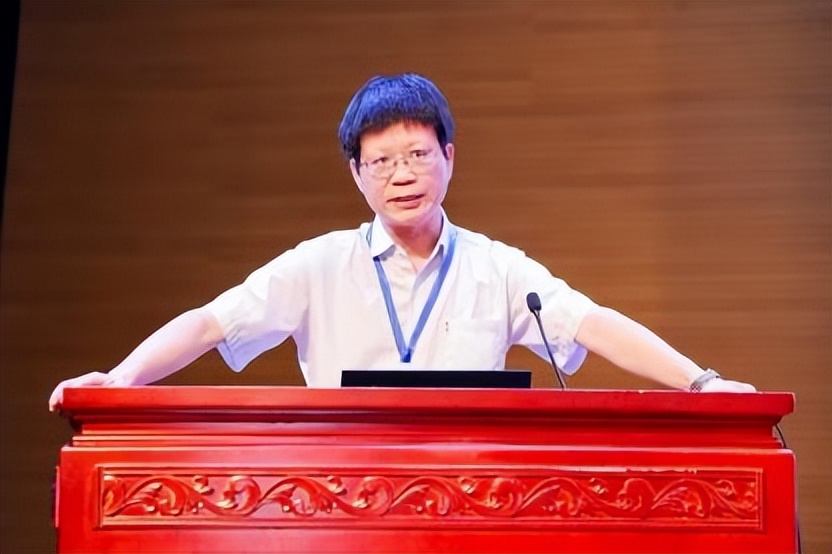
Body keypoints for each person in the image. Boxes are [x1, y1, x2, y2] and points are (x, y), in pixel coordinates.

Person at [48, 73, 755, 411]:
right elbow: (211, 323)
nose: (403, 175)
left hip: (473, 497)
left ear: (449, 157)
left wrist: (703, 382)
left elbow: (593, 323)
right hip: (342, 496)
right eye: (381, 162)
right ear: (357, 175)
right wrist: (120, 379)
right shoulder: (318, 264)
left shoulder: (497, 268)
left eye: (417, 155)